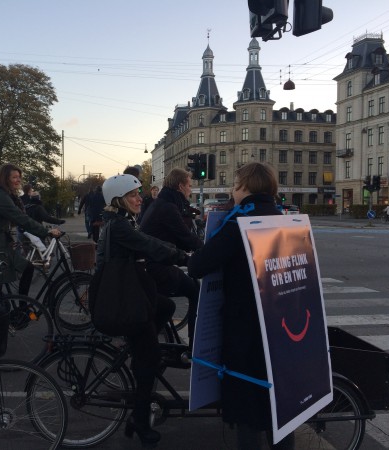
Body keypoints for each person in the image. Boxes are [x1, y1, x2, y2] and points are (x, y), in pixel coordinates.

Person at [187, 162, 294, 450]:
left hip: (247, 333)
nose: (233, 191)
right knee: (279, 408)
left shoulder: (241, 221)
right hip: (283, 329)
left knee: (247, 406)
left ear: (246, 187)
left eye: (235, 185)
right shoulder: (283, 218)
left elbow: (199, 264)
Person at [97, 174, 188, 448]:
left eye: (139, 194)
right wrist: (182, 257)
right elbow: (150, 246)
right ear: (119, 200)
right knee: (147, 362)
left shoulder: (122, 222)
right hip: (124, 299)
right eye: (134, 195)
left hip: (132, 289)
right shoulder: (120, 227)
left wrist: (175, 250)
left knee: (167, 305)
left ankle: (142, 351)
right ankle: (139, 420)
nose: (140, 199)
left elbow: (148, 241)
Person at [140, 168, 203, 350]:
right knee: (195, 291)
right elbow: (185, 237)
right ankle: (193, 345)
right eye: (189, 185)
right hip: (156, 266)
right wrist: (206, 251)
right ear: (181, 186)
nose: (191, 189)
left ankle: (148, 338)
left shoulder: (162, 202)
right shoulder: (168, 207)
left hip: (151, 263)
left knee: (164, 306)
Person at [0, 163, 61, 295]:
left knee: (0, 283)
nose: (18, 180)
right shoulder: (1, 198)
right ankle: (21, 307)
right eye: (14, 177)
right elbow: (22, 219)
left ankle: (18, 307)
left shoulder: (5, 195)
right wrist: (46, 231)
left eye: (19, 177)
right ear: (5, 179)